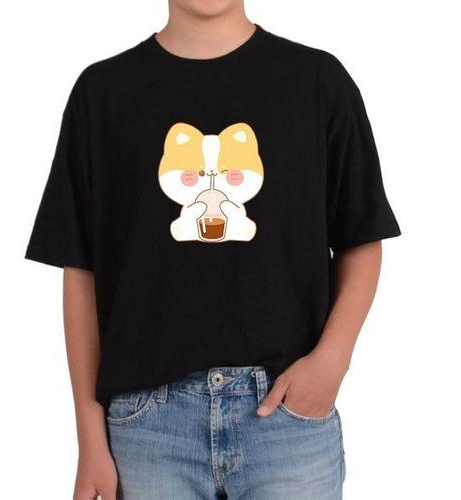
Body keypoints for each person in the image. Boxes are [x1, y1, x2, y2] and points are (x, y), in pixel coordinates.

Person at [25, 0, 401, 498]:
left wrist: (332, 362)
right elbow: (81, 272)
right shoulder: (102, 93)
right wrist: (89, 437)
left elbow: (361, 239)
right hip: (147, 428)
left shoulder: (317, 82)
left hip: (287, 417)